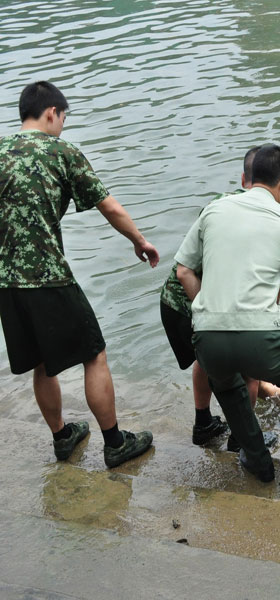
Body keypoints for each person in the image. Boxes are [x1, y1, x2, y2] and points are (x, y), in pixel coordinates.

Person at [0, 81, 156, 467]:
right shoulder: (61, 151)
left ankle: (62, 437)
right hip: (48, 276)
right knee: (94, 354)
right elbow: (110, 207)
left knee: (41, 362)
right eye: (63, 119)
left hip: (7, 282)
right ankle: (116, 442)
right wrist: (139, 240)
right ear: (52, 112)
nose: (62, 126)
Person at [174, 143, 280, 492]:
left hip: (207, 338)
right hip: (259, 338)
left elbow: (184, 271)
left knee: (226, 385)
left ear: (249, 178)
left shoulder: (214, 209)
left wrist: (208, 309)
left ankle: (257, 459)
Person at [160, 145, 279, 451]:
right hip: (197, 300)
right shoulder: (269, 221)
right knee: (248, 370)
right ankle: (242, 438)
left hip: (173, 301)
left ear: (243, 178)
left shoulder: (218, 205)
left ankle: (203, 423)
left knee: (205, 355)